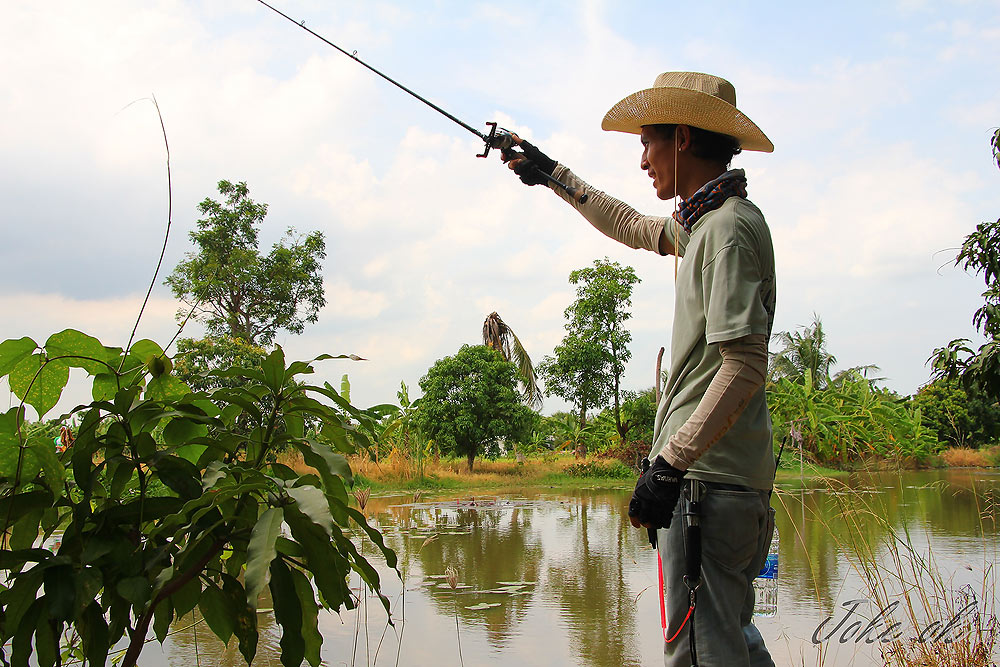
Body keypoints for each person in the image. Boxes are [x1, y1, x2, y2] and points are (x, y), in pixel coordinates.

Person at [504, 71, 777, 667]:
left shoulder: (726, 231)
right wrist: (553, 175)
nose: (643, 159)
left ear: (681, 138)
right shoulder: (706, 222)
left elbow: (746, 365)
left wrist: (670, 464)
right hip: (722, 481)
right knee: (733, 642)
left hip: (706, 483)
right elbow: (631, 225)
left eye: (647, 142)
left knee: (699, 654)